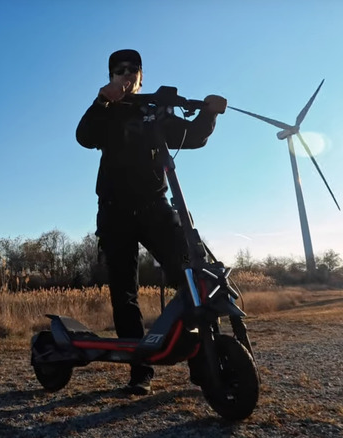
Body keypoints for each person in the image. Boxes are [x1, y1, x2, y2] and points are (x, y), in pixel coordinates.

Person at [75, 49, 227, 395]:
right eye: (118, 70)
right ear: (111, 76)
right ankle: (139, 373)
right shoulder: (106, 110)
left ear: (141, 76)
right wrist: (102, 101)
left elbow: (191, 137)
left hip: (155, 207)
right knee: (124, 293)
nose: (126, 75)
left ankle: (206, 363)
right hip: (114, 211)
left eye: (132, 70)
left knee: (190, 277)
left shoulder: (155, 110)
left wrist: (211, 114)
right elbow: (84, 137)